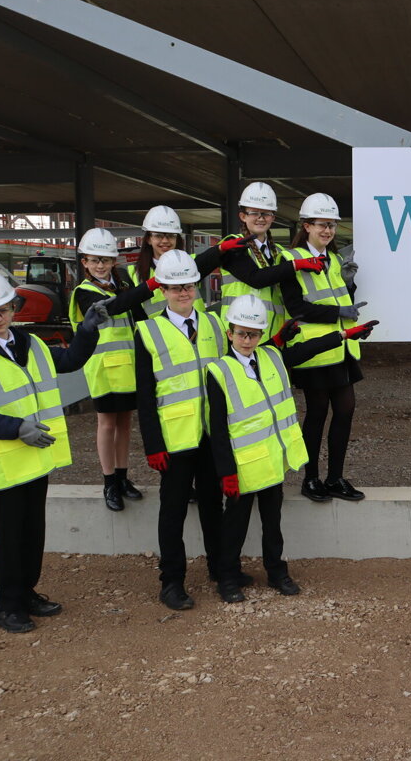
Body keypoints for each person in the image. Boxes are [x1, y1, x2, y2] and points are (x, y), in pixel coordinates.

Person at [0, 270, 109, 633]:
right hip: (6, 464)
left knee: (33, 531)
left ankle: (27, 592)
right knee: (10, 537)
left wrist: (86, 330)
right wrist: (16, 428)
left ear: (13, 306)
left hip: (36, 459)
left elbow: (70, 361)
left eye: (3, 308)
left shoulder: (30, 345)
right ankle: (8, 606)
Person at [207, 295, 378, 602]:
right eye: (242, 333)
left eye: (254, 334)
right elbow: (218, 430)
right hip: (243, 468)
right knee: (234, 525)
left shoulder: (271, 356)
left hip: (272, 462)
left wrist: (342, 335)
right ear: (229, 333)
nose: (247, 339)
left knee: (273, 524)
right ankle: (228, 578)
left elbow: (307, 349)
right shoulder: (218, 372)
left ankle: (277, 572)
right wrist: (226, 472)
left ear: (261, 335)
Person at [134, 249, 230, 610]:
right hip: (173, 441)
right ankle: (171, 581)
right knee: (172, 511)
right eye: (175, 286)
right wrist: (152, 444)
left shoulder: (215, 325)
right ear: (162, 289)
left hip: (210, 435)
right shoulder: (147, 332)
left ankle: (221, 568)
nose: (184, 291)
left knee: (212, 505)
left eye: (189, 284)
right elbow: (145, 396)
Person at [278, 193, 370, 503]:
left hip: (341, 348)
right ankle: (311, 479)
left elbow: (337, 296)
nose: (327, 231)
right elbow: (295, 306)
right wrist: (338, 314)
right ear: (306, 226)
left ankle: (335, 477)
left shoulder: (334, 259)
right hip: (314, 350)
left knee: (345, 410)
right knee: (317, 414)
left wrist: (350, 285)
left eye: (331, 225)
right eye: (321, 225)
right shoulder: (290, 260)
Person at [67, 227, 156, 511]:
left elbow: (140, 318)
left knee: (125, 425)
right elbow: (113, 309)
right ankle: (109, 483)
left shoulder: (123, 288)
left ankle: (122, 478)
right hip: (103, 370)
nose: (100, 265)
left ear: (114, 261)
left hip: (127, 370)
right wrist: (151, 286)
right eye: (94, 260)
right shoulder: (85, 293)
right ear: (85, 262)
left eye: (105, 260)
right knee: (106, 425)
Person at [217, 182, 329, 340]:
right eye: (254, 213)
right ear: (243, 216)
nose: (260, 218)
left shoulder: (280, 252)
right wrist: (296, 265)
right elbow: (255, 278)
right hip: (240, 334)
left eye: (266, 213)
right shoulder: (233, 245)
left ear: (273, 218)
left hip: (273, 334)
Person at [126, 205, 243, 321]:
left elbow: (209, 258)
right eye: (158, 235)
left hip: (198, 331)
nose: (165, 241)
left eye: (171, 236)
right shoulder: (133, 274)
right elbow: (135, 314)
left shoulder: (191, 262)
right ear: (148, 239)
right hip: (161, 336)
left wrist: (222, 247)